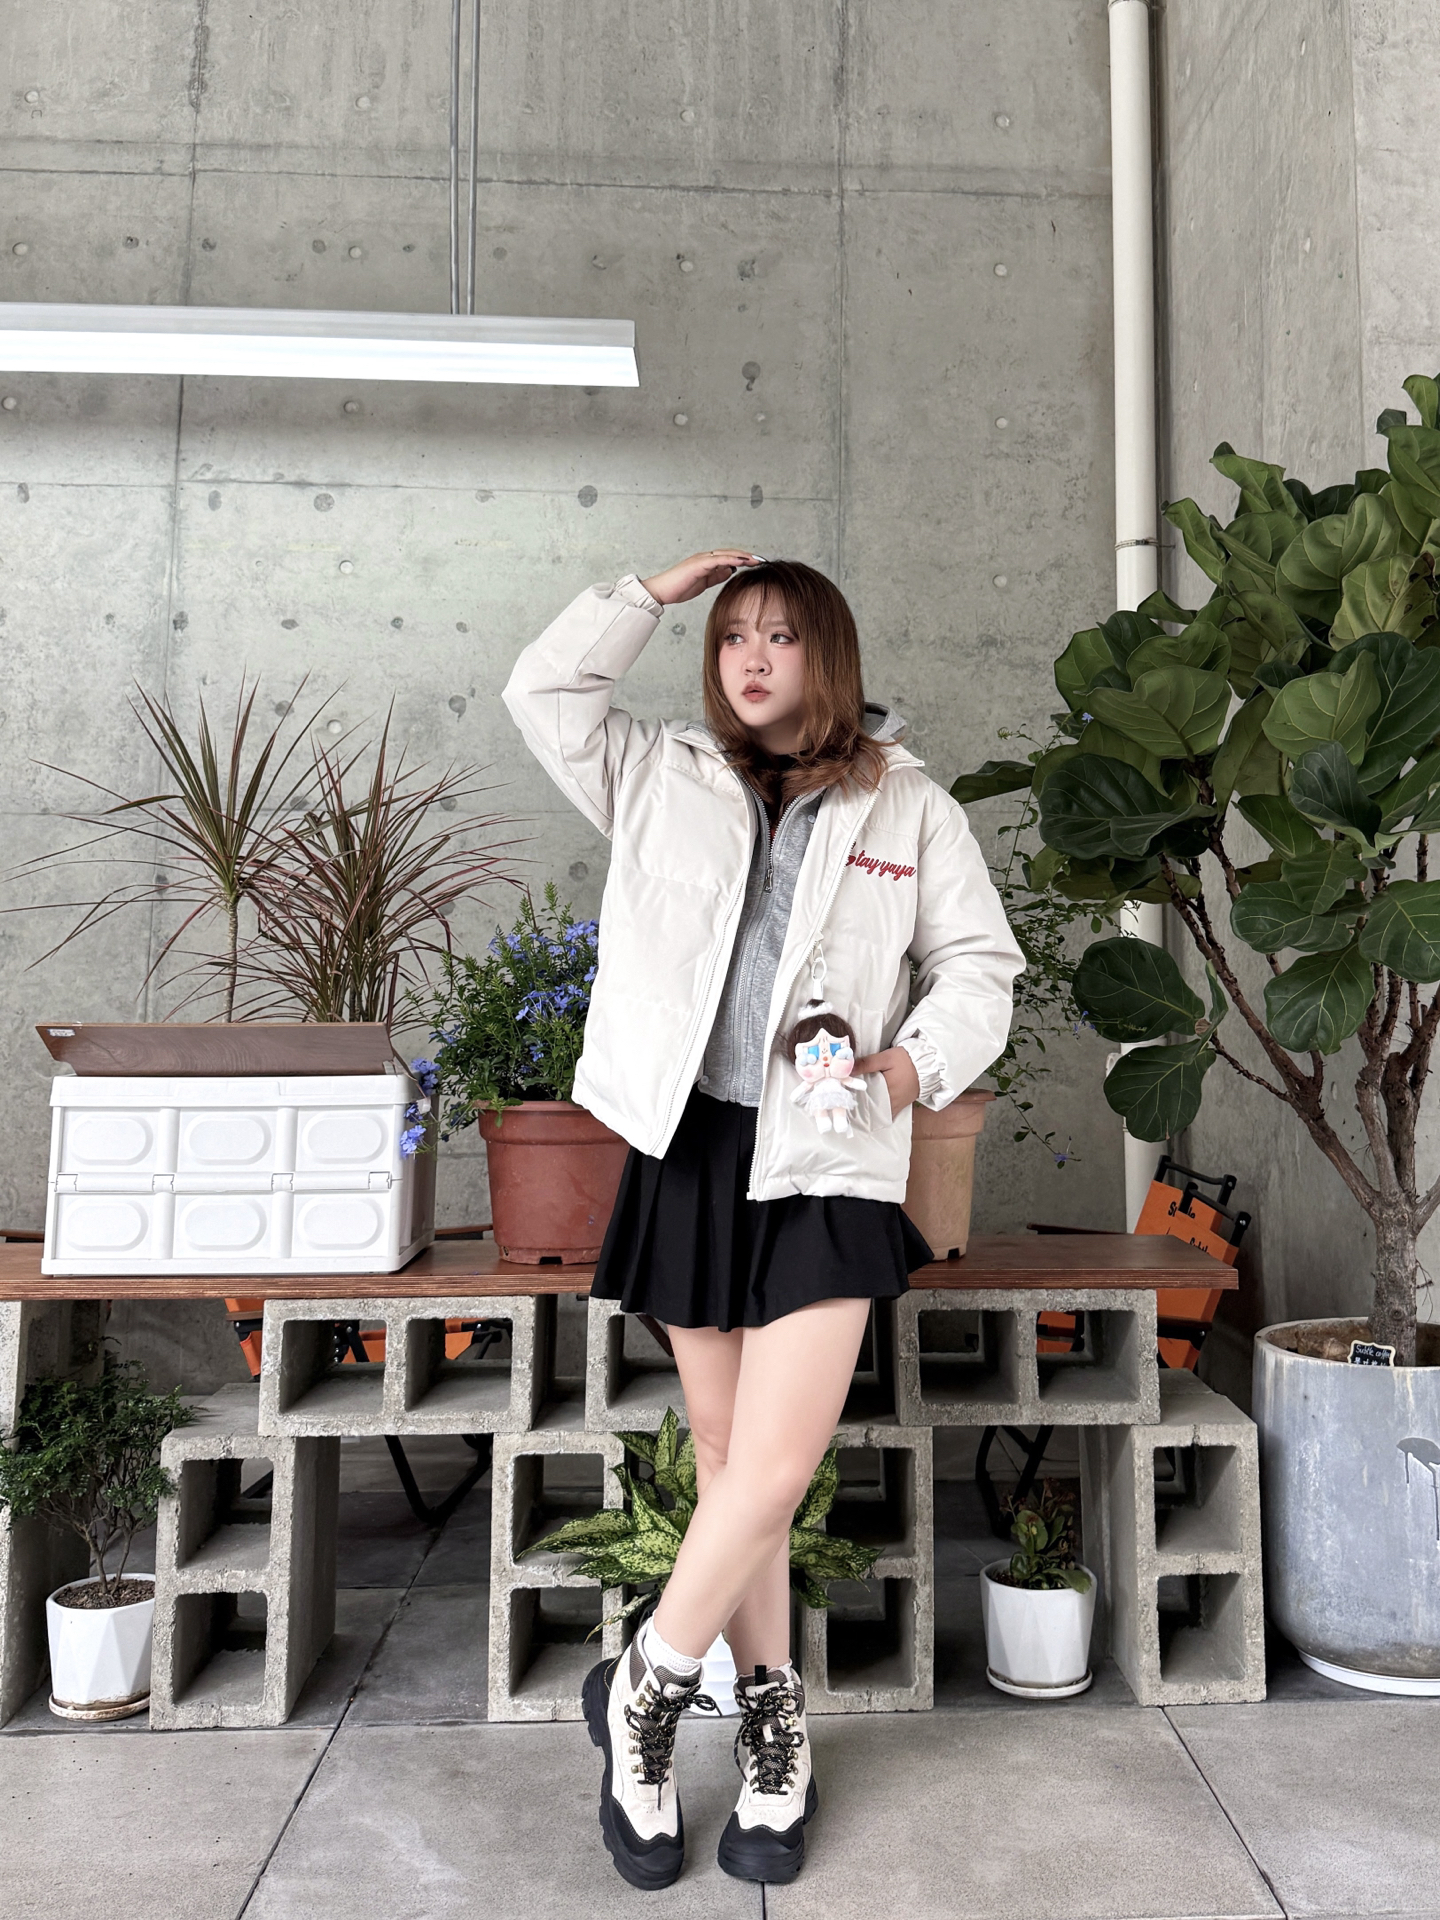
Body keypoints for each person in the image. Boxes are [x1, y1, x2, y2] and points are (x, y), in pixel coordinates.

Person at [503, 551, 1023, 1889]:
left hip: (831, 1154)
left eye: (779, 635)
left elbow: (980, 967)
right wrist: (648, 592)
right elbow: (544, 690)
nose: (749, 655)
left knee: (777, 1468)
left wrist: (902, 1072)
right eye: (733, 634)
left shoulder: (907, 803)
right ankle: (775, 1728)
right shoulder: (658, 773)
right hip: (693, 1147)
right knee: (737, 1463)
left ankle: (645, 1690)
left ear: (825, 655)